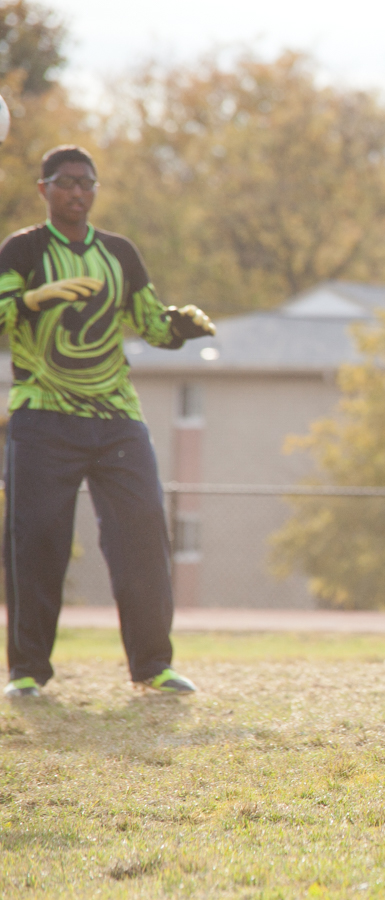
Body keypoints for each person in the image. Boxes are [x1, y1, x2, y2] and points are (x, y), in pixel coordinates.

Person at [3, 145, 216, 699]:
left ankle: (153, 667)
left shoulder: (119, 254)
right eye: (66, 182)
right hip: (42, 417)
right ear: (44, 188)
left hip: (116, 419)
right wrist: (32, 300)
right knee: (38, 542)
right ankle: (27, 673)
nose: (77, 192)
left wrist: (180, 326)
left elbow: (150, 324)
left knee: (142, 536)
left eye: (87, 183)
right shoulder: (22, 251)